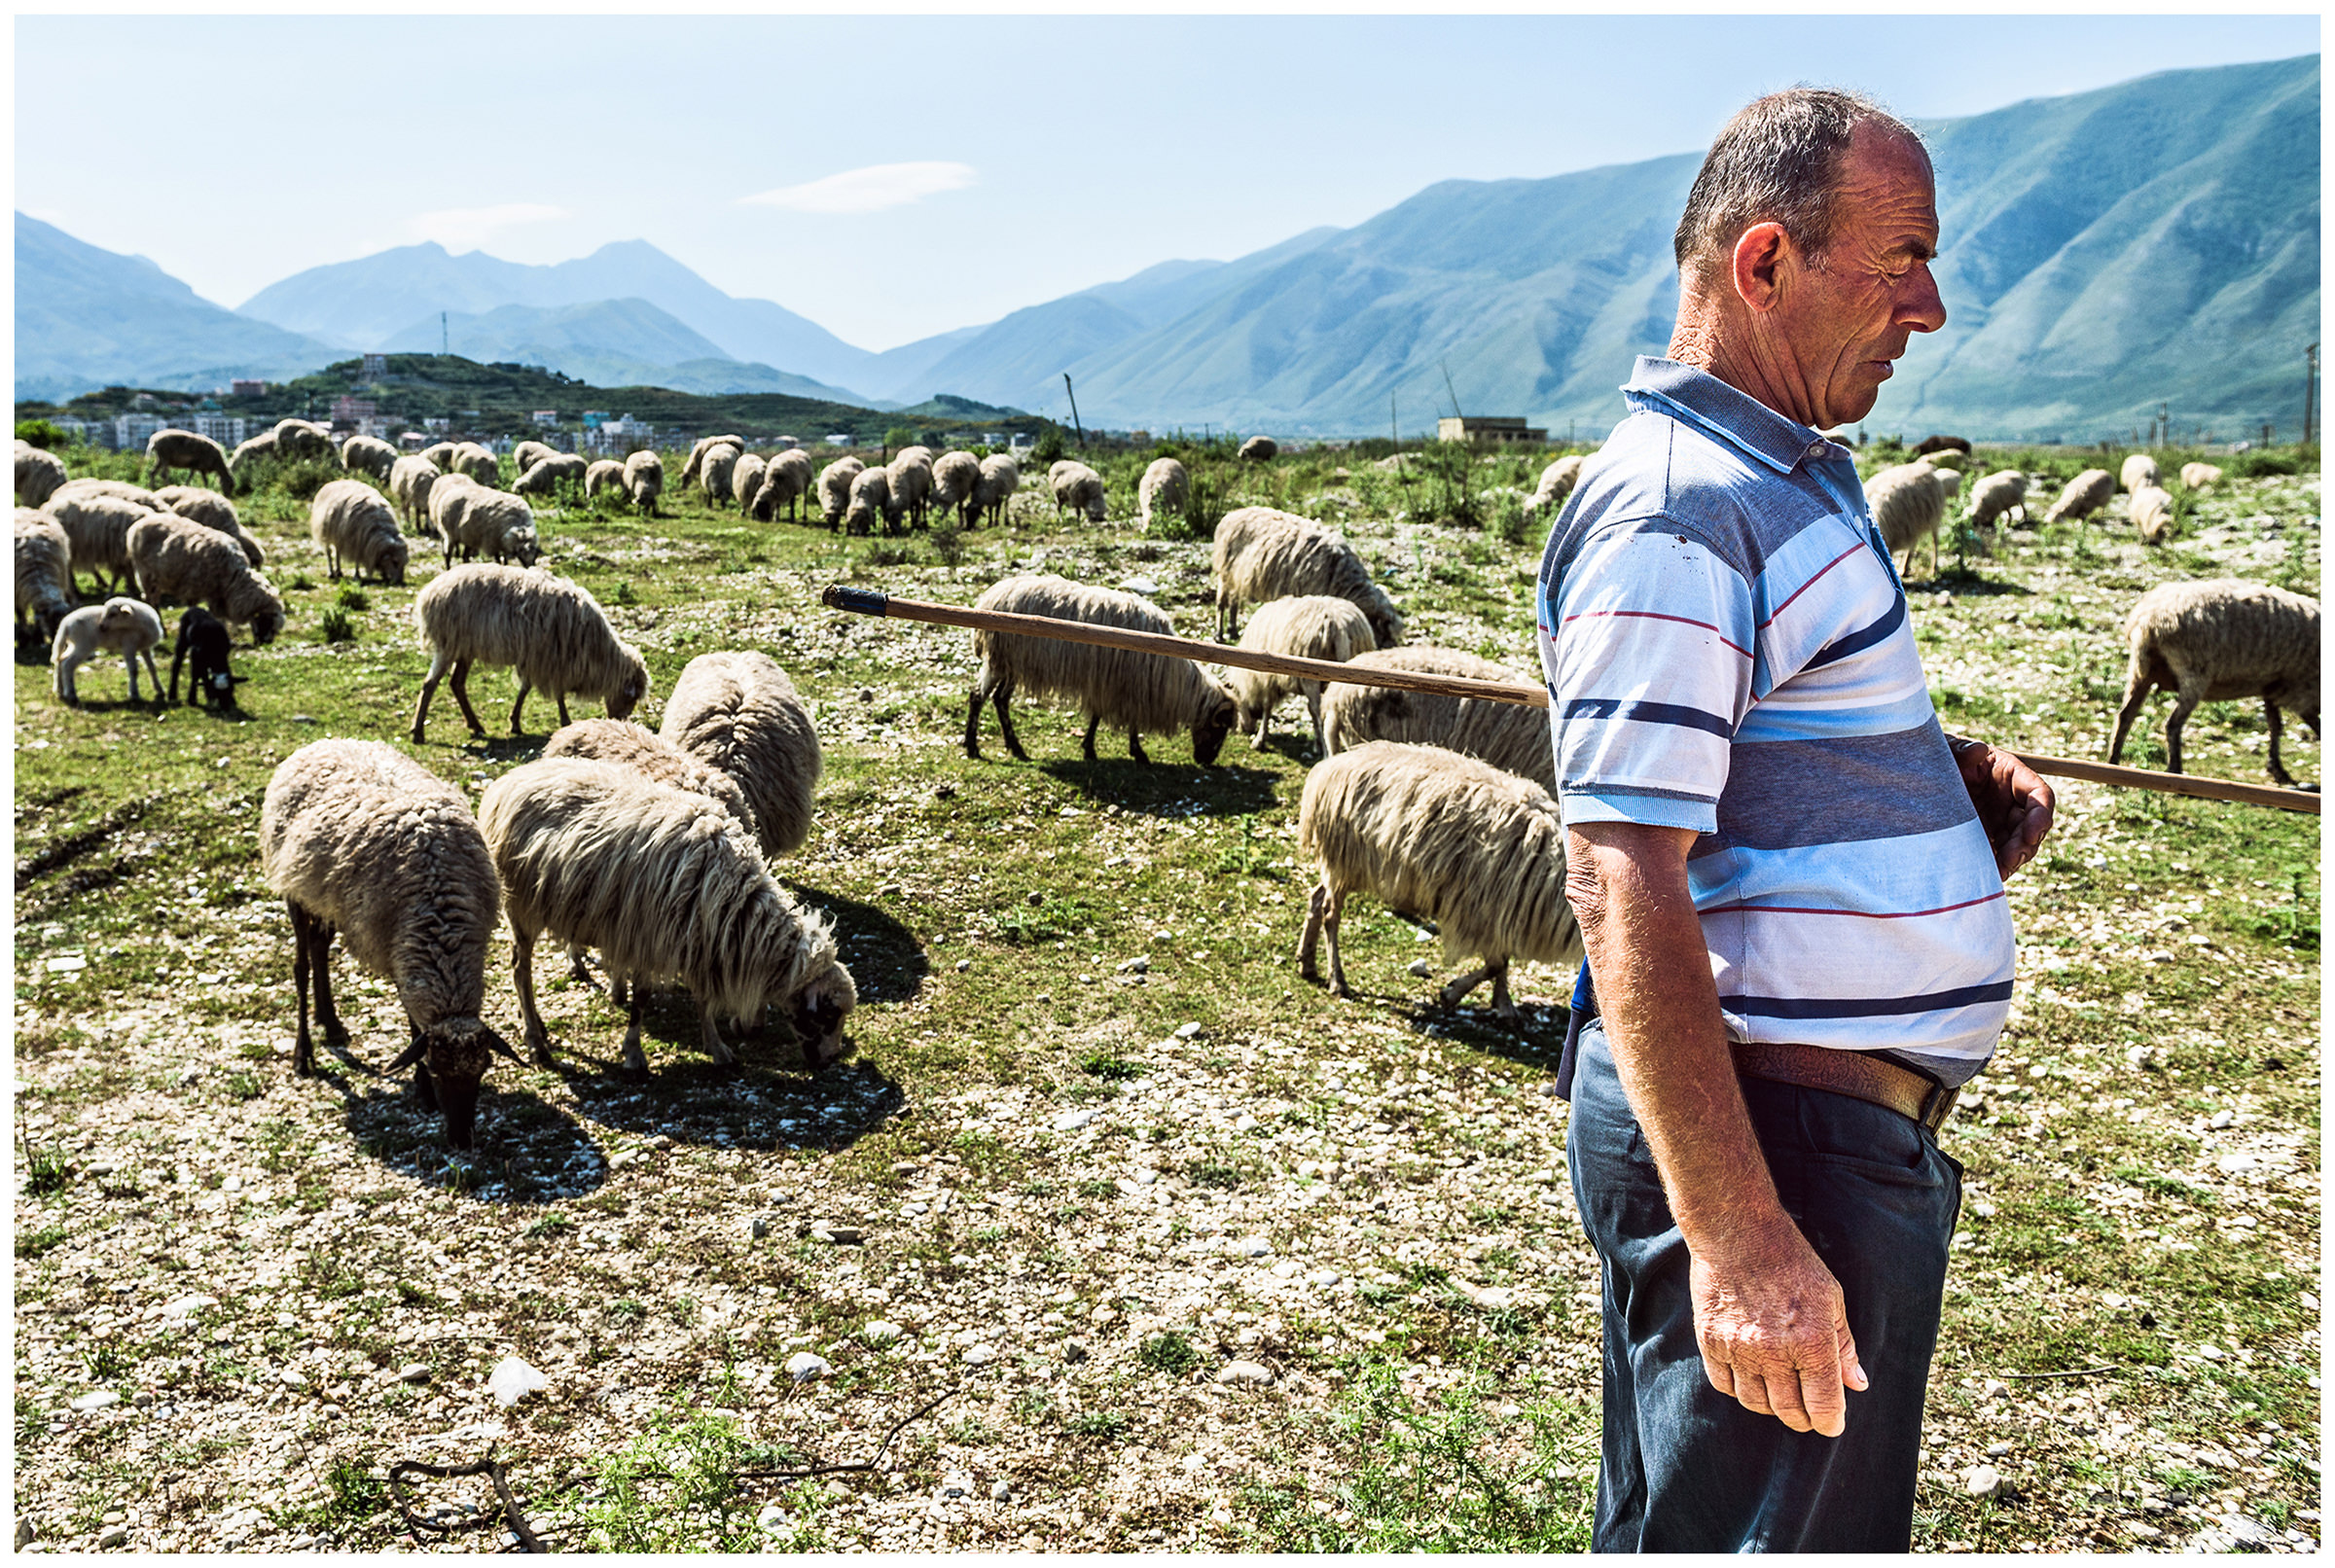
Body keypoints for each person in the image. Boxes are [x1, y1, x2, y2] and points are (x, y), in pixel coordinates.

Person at [1533, 89, 2055, 1552]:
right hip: (1780, 1144)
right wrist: (1745, 1239)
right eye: (1898, 260)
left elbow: (1733, 775)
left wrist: (1925, 820)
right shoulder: (1683, 509)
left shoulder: (1778, 477)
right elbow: (1619, 868)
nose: (1932, 306)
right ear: (1763, 266)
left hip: (1814, 1133)